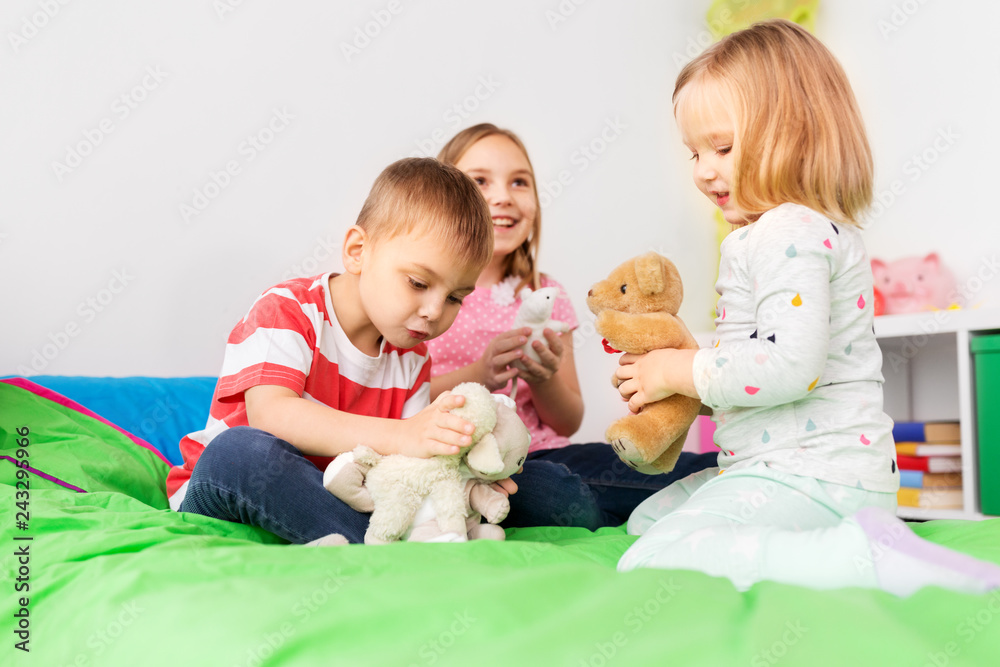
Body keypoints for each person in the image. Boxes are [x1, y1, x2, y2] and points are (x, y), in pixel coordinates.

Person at [614, 19, 1000, 595]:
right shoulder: (793, 231)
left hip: (814, 477)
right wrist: (693, 381)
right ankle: (848, 538)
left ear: (794, 136)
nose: (702, 169)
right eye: (693, 152)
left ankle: (852, 557)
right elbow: (761, 374)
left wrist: (675, 369)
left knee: (648, 558)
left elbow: (790, 366)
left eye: (721, 147)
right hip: (806, 473)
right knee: (646, 522)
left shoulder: (783, 233)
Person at [166, 157, 507, 545]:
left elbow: (408, 463)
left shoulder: (412, 359)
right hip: (227, 490)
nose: (433, 311)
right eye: (417, 283)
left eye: (455, 298)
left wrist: (466, 471)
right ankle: (382, 544)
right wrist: (402, 435)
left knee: (526, 486)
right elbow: (272, 415)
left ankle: (379, 535)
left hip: (330, 498)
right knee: (238, 452)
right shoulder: (287, 310)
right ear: (358, 251)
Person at [428, 123, 718, 530]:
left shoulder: (546, 293)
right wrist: (480, 375)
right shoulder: (426, 290)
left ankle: (732, 477)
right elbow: (401, 398)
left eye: (519, 182)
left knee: (641, 469)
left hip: (543, 454)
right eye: (479, 181)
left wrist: (543, 378)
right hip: (464, 466)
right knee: (557, 495)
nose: (502, 197)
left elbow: (567, 421)